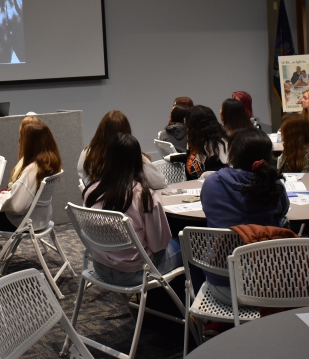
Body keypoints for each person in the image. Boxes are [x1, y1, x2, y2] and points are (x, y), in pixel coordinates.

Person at [201, 128, 289, 304]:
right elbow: (283, 211)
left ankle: (212, 321)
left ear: (232, 155)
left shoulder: (211, 183)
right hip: (270, 285)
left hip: (222, 285)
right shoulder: (274, 185)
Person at [83, 133, 180, 286]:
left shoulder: (91, 191)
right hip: (135, 274)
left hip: (100, 267)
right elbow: (157, 245)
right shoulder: (144, 196)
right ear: (137, 161)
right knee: (186, 245)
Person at [0, 121, 62, 232]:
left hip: (20, 223)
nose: (20, 141)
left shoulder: (32, 170)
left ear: (30, 143)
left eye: (22, 138)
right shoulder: (51, 163)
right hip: (41, 219)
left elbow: (17, 207)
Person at [79, 110, 166, 189]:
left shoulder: (87, 153)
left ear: (101, 130)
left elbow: (84, 180)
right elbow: (159, 182)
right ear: (127, 132)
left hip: (96, 204)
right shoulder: (130, 153)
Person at [169, 105, 228, 180]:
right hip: (191, 186)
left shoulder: (218, 145)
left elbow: (221, 171)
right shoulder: (194, 141)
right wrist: (172, 158)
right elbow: (189, 158)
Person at [8, 115, 44, 187]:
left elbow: (16, 194)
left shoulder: (30, 168)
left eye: (21, 135)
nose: (20, 140)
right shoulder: (42, 159)